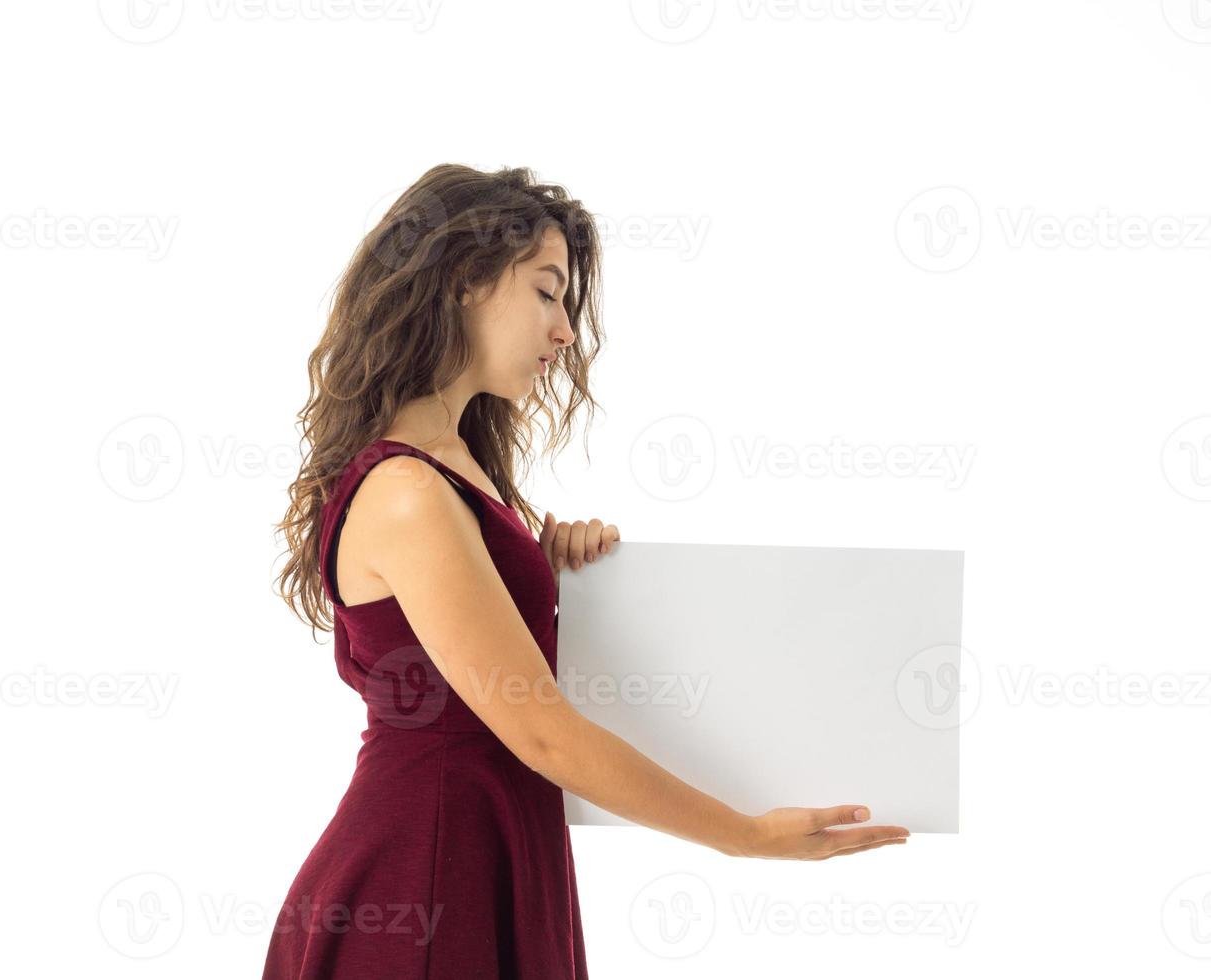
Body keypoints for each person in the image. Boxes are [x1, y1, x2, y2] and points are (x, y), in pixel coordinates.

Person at [266, 164, 909, 979]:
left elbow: (492, 668)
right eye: (547, 292)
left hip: (481, 851)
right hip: (426, 875)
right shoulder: (407, 491)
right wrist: (747, 837)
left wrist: (558, 582)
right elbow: (542, 731)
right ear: (465, 280)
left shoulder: (456, 469)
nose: (566, 331)